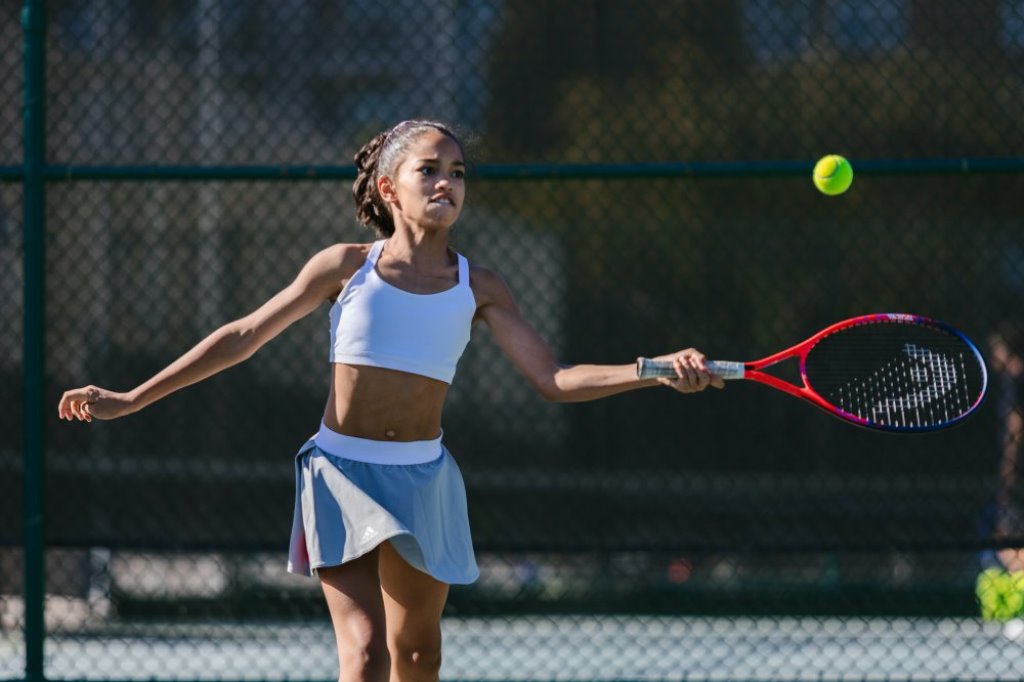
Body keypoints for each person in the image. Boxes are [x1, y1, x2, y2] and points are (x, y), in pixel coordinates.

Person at [58, 119, 723, 682]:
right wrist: (131, 398)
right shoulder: (343, 268)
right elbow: (241, 337)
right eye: (429, 170)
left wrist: (657, 368)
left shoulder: (481, 286)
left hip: (424, 479)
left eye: (458, 172)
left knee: (417, 656)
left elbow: (554, 378)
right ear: (387, 188)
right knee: (369, 654)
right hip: (339, 474)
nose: (446, 183)